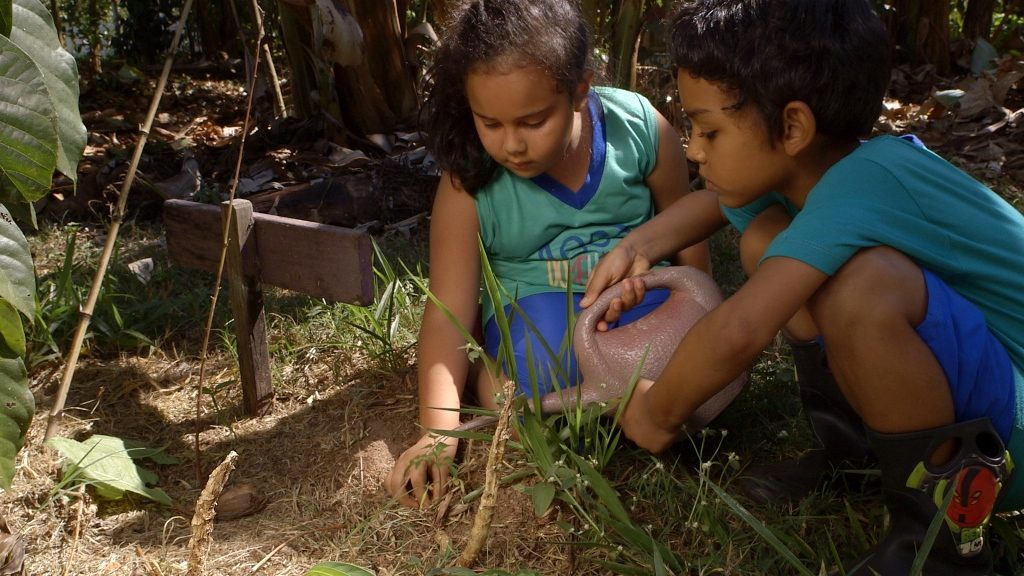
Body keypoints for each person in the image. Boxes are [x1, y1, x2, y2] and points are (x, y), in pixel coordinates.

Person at [580, 0, 1024, 573]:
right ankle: (859, 456)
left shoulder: (867, 182)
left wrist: (656, 413)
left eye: (708, 129)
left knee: (864, 287)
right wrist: (636, 246)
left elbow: (742, 328)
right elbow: (714, 203)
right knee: (765, 240)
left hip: (1009, 432)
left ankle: (940, 546)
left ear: (792, 126)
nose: (692, 149)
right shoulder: (822, 174)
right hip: (991, 397)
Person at [384, 0, 711, 509]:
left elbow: (689, 230)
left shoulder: (640, 127)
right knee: (539, 359)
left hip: (639, 302)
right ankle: (609, 403)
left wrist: (700, 312)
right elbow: (449, 313)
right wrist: (439, 430)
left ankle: (585, 404)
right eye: (489, 123)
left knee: (699, 346)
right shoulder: (469, 184)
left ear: (580, 88)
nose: (511, 144)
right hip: (540, 317)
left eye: (534, 121)